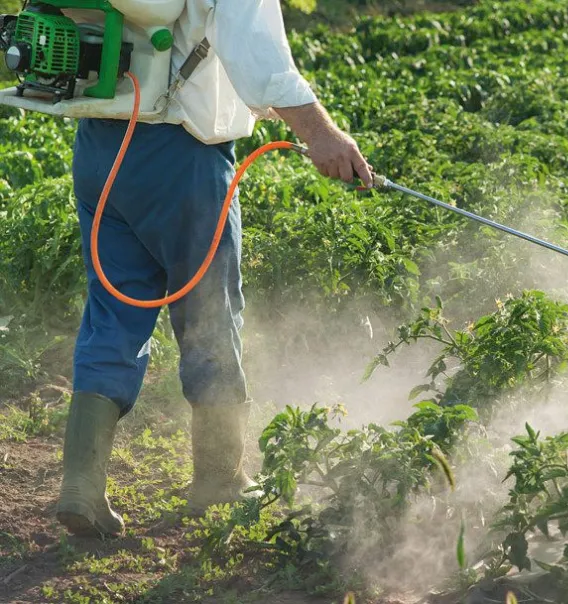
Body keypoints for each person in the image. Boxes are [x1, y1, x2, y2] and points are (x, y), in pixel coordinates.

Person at [55, 0, 372, 538]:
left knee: (112, 311)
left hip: (100, 147)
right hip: (182, 157)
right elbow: (258, 52)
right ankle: (219, 479)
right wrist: (320, 132)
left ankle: (81, 487)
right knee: (210, 312)